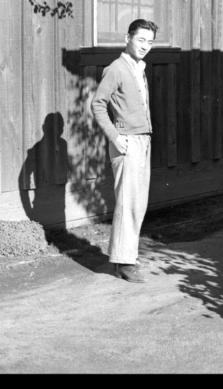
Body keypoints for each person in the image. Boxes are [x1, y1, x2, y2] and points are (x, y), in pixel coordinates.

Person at [91, 18, 157, 283]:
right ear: (127, 38)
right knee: (129, 202)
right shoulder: (116, 69)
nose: (145, 46)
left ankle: (127, 256)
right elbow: (98, 104)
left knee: (138, 203)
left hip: (143, 140)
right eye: (140, 40)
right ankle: (123, 263)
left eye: (150, 42)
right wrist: (115, 137)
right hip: (126, 142)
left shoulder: (139, 68)